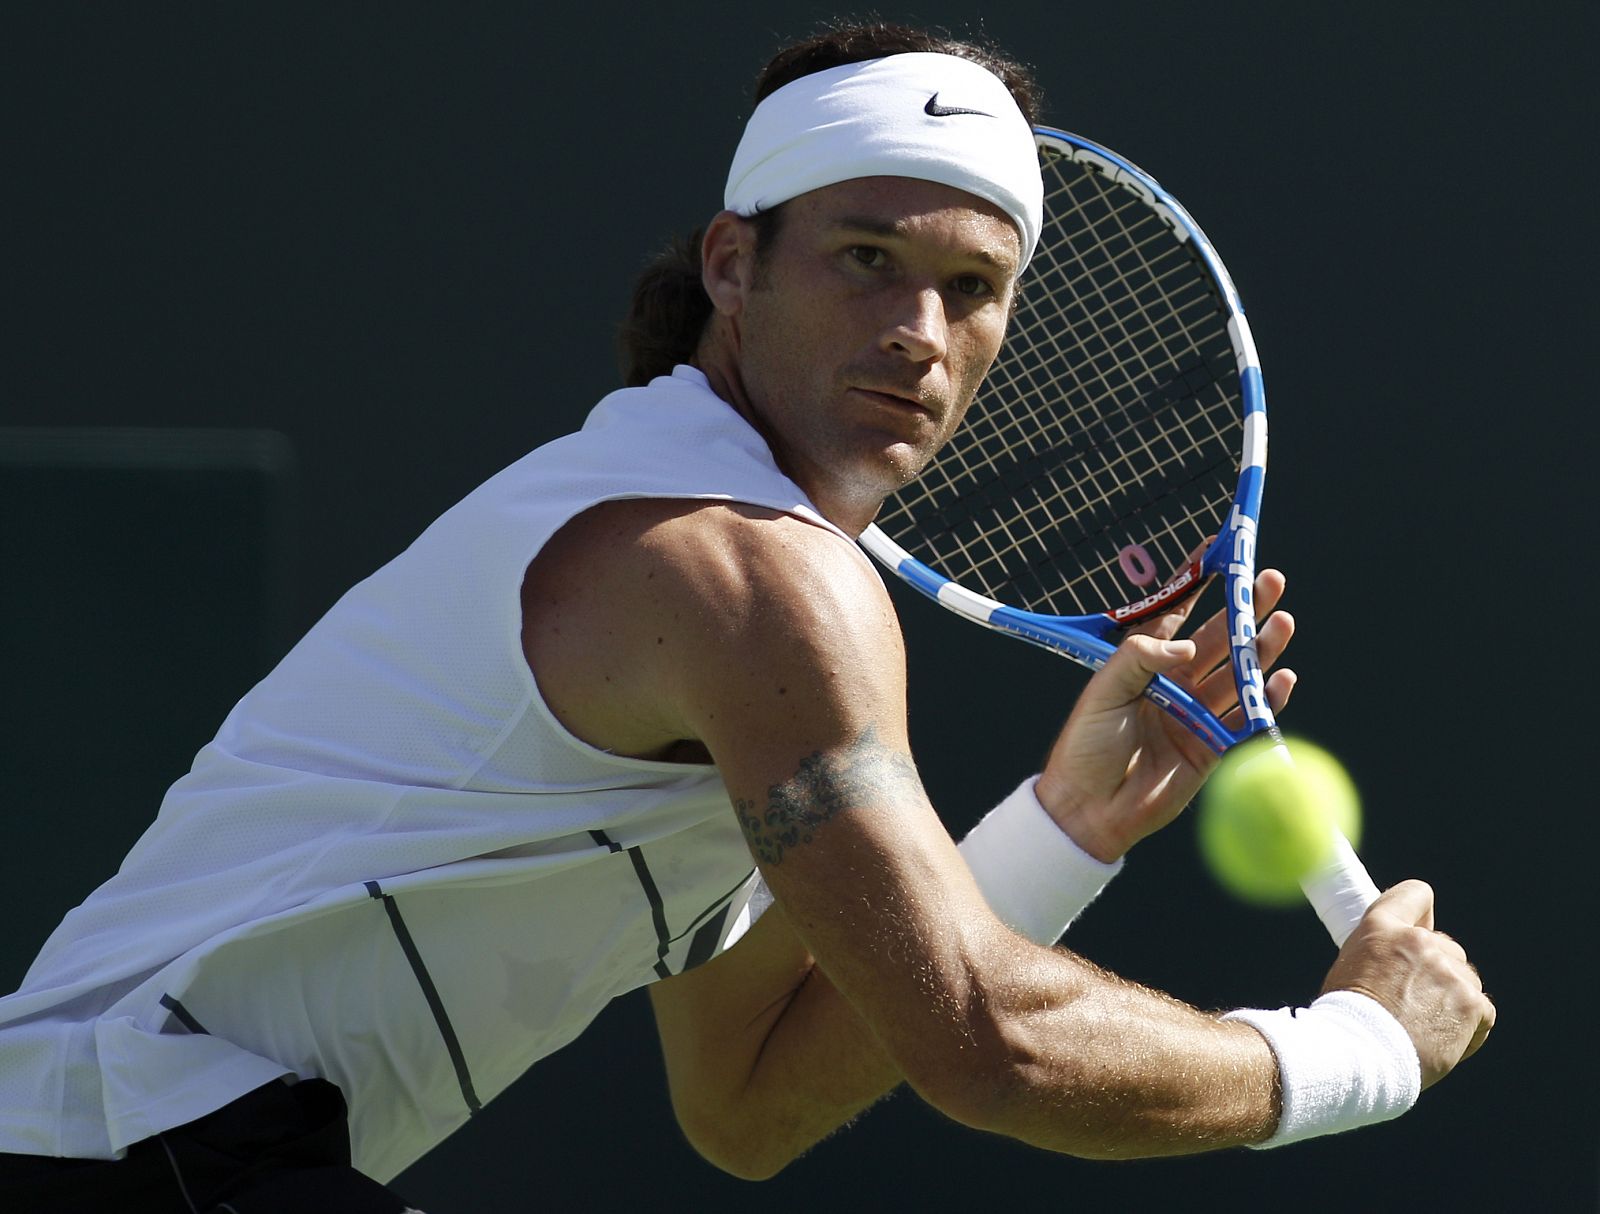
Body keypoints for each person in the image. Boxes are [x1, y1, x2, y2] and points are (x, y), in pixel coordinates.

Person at [0, 20, 1492, 1212]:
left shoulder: (704, 546)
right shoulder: (754, 578)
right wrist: (1357, 1049)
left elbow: (749, 1099)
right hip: (132, 1146)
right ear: (733, 262)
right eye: (867, 260)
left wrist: (1062, 825)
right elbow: (983, 1041)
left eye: (971, 288)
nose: (918, 330)